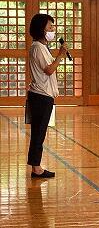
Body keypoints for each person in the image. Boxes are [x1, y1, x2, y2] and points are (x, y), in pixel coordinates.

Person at [27, 14, 67, 178]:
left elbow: (49, 67)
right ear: (41, 30)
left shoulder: (42, 47)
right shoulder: (37, 47)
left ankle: (36, 166)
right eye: (50, 27)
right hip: (41, 96)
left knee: (39, 132)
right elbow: (49, 70)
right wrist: (60, 56)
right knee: (38, 132)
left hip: (43, 95)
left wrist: (58, 54)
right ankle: (36, 168)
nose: (52, 30)